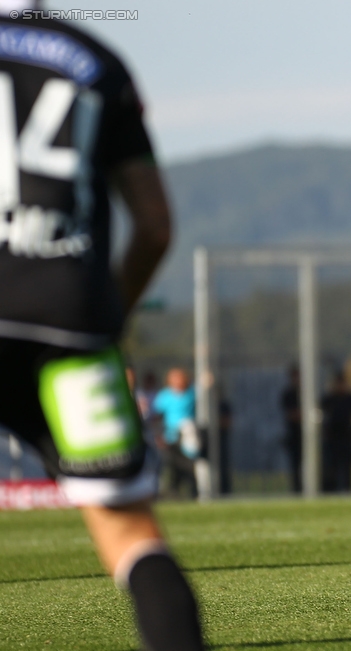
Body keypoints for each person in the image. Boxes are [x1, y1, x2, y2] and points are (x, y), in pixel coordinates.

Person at [0, 7, 203, 648]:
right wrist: (106, 318)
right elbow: (155, 225)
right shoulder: (92, 58)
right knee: (128, 530)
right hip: (69, 319)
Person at [153, 367, 203, 499]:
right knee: (173, 466)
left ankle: (194, 493)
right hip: (171, 436)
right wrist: (159, 434)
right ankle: (174, 493)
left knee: (189, 465)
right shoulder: (165, 396)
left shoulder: (191, 393)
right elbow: (157, 415)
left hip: (188, 436)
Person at [320, 368, 351, 493]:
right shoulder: (328, 399)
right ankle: (330, 491)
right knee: (331, 468)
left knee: (347, 467)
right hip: (331, 438)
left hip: (346, 437)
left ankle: (347, 490)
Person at [280, 365, 302, 494]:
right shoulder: (288, 394)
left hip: (309, 437)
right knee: (295, 466)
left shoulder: (308, 391)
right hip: (294, 435)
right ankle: (297, 490)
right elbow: (291, 415)